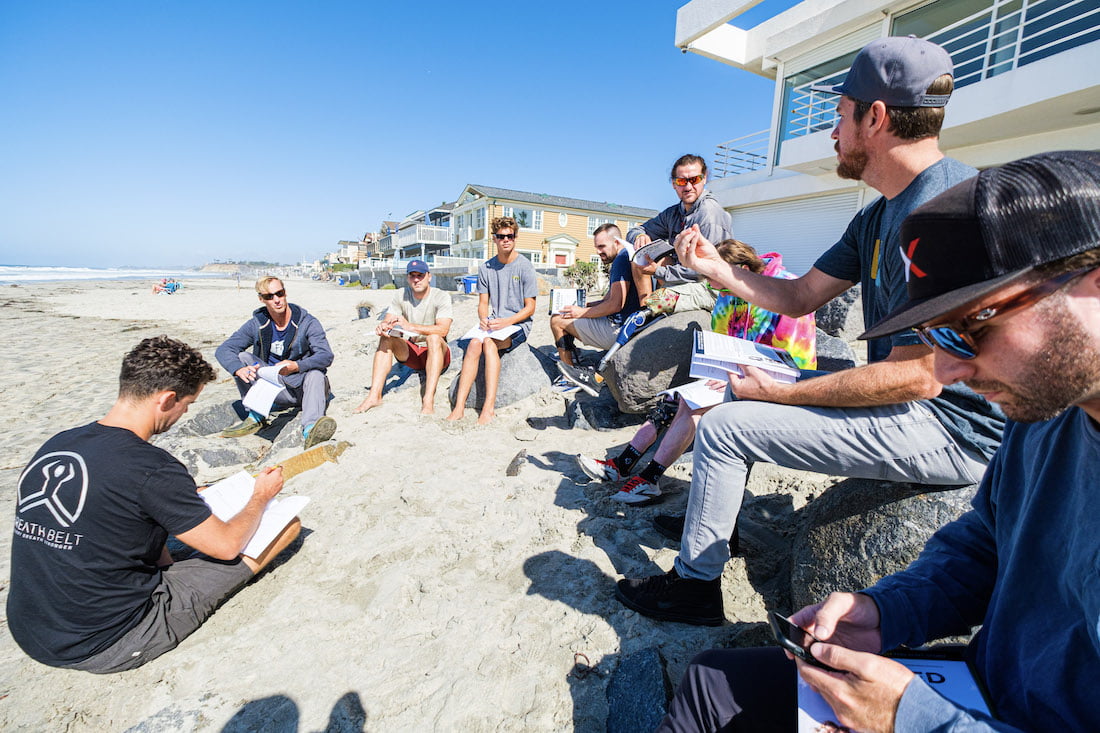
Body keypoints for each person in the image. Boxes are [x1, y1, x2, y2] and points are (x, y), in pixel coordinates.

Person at [657, 149, 1100, 733]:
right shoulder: (1047, 415)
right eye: (934, 335)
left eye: (973, 327)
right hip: (984, 683)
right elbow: (985, 545)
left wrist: (908, 717)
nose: (944, 371)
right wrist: (887, 610)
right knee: (712, 685)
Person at [616, 36, 1005, 626]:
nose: (832, 133)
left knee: (724, 428)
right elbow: (799, 296)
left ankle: (694, 588)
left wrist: (784, 392)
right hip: (909, 395)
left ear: (875, 118)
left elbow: (918, 376)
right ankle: (717, 525)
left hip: (954, 429)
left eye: (839, 117)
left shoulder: (948, 211)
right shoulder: (877, 214)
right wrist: (717, 270)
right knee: (729, 381)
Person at [7, 336, 301, 673]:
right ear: (167, 399)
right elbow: (226, 546)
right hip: (107, 639)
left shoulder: (59, 443)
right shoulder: (151, 466)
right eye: (187, 405)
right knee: (285, 525)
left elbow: (108, 505)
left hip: (30, 627)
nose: (183, 413)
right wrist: (260, 497)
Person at [576, 240, 816, 505]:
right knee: (674, 400)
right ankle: (622, 465)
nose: (714, 288)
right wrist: (722, 371)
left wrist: (736, 376)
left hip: (776, 386)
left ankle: (649, 479)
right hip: (736, 375)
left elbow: (794, 361)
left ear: (743, 269)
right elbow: (725, 339)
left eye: (717, 281)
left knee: (693, 408)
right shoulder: (727, 291)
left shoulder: (784, 288)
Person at [217, 276, 336, 449]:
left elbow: (326, 356)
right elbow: (224, 349)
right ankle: (256, 415)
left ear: (285, 292)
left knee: (316, 374)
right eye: (269, 296)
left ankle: (310, 429)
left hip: (305, 387)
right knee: (242, 359)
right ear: (261, 299)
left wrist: (297, 366)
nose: (276, 300)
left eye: (279, 293)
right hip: (274, 389)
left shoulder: (307, 322)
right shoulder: (257, 324)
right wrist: (237, 370)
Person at [446, 216, 537, 425]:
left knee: (488, 344)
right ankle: (459, 406)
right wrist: (483, 319)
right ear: (494, 239)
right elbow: (482, 303)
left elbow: (530, 307)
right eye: (501, 236)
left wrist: (507, 322)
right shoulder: (486, 268)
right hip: (494, 324)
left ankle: (488, 407)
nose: (506, 240)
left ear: (515, 237)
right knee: (473, 345)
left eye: (510, 236)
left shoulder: (524, 266)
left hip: (517, 325)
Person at [627, 154, 734, 313]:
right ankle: (645, 313)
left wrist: (657, 271)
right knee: (639, 257)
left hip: (710, 285)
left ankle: (648, 310)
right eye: (682, 181)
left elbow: (703, 270)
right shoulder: (673, 213)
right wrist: (640, 237)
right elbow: (636, 230)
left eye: (695, 180)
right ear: (674, 184)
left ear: (704, 179)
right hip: (685, 278)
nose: (688, 187)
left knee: (658, 301)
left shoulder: (709, 214)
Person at [551, 223, 642, 395]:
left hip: (619, 332)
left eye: (602, 246)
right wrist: (586, 305)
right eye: (596, 247)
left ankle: (571, 377)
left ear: (616, 242)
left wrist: (580, 313)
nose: (598, 252)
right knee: (567, 313)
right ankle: (573, 359)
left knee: (557, 320)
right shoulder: (627, 255)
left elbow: (616, 304)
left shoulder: (621, 260)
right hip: (628, 325)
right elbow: (610, 298)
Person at [354, 259, 453, 415]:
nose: (416, 279)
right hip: (413, 353)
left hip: (437, 353)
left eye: (420, 275)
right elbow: (389, 319)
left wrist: (411, 327)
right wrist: (384, 326)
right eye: (412, 275)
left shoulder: (441, 296)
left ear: (429, 276)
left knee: (433, 338)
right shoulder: (401, 294)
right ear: (407, 278)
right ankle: (374, 395)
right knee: (386, 337)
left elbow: (443, 330)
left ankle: (428, 400)